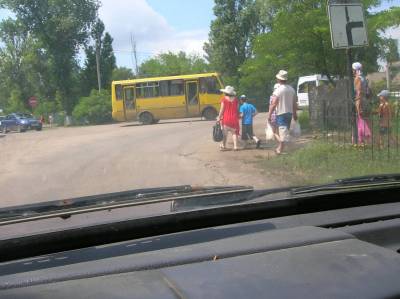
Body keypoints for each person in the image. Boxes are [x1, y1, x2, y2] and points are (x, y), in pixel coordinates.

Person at [268, 70, 298, 154]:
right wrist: (295, 114)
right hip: (289, 113)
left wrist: (269, 115)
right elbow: (294, 103)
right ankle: (280, 149)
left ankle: (283, 149)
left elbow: (273, 104)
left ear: (278, 79)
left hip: (281, 113)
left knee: (282, 133)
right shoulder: (292, 89)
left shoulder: (278, 90)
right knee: (284, 132)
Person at [352, 62, 372, 145]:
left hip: (359, 100)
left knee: (360, 119)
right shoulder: (364, 78)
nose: (352, 71)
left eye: (353, 69)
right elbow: (369, 92)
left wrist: (358, 104)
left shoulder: (357, 78)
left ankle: (363, 139)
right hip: (365, 100)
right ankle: (363, 140)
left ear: (355, 70)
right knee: (363, 119)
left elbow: (359, 91)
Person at [218, 86, 240, 151]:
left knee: (225, 134)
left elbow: (222, 109)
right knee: (234, 133)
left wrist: (219, 117)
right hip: (234, 119)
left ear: (225, 93)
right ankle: (235, 146)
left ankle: (224, 146)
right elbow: (237, 109)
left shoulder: (224, 99)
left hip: (226, 119)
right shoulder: (236, 100)